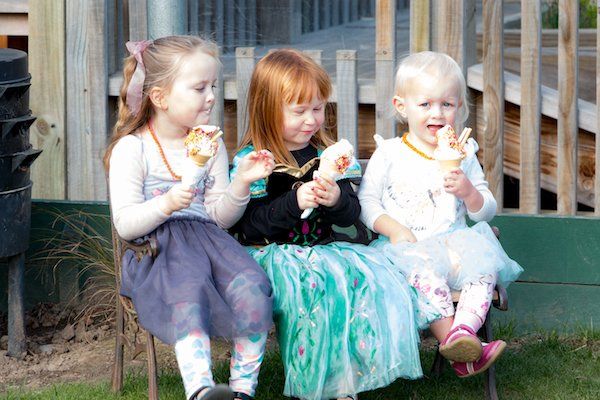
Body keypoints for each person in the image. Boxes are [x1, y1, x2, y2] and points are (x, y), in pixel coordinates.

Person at [230, 49, 439, 400]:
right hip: (271, 256)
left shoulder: (327, 154)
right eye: (299, 111)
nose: (311, 120)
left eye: (317, 108)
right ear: (267, 110)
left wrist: (336, 199)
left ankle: (345, 382)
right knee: (312, 288)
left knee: (359, 282)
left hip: (325, 250)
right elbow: (249, 225)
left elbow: (351, 215)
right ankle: (313, 379)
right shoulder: (255, 161)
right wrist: (294, 202)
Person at [104, 36, 275, 400]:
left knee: (252, 286)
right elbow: (126, 224)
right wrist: (167, 204)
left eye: (213, 87)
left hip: (210, 246)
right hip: (155, 253)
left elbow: (219, 217)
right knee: (188, 289)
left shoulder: (209, 144)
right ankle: (200, 390)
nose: (211, 97)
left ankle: (242, 390)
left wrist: (241, 183)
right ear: (160, 97)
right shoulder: (133, 149)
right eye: (199, 88)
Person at [358, 51, 523, 378]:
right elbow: (367, 201)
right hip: (407, 251)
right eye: (425, 104)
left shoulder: (464, 154)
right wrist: (392, 228)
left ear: (459, 107)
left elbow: (485, 211)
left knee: (484, 270)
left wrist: (469, 192)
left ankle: (464, 331)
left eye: (447, 104)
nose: (437, 113)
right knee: (425, 277)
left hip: (455, 245)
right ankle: (460, 349)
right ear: (401, 106)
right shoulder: (390, 153)